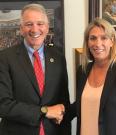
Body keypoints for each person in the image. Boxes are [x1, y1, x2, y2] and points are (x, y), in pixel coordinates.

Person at [0, 3, 71, 135]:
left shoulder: (58, 58)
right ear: (21, 29)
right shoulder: (4, 58)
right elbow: (3, 104)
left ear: (47, 26)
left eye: (40, 23)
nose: (35, 29)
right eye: (29, 24)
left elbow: (63, 102)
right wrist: (44, 111)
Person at [69, 18, 116, 135]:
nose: (98, 43)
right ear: (87, 42)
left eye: (104, 38)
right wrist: (55, 110)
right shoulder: (83, 71)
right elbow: (83, 104)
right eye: (93, 38)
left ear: (112, 41)